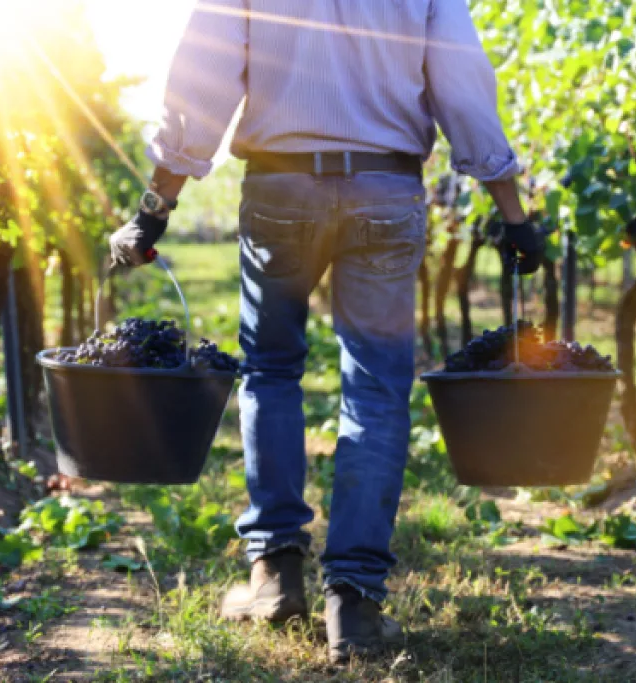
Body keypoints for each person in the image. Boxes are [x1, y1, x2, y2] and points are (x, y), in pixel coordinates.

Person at [107, 0, 544, 664]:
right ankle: (356, 606)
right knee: (373, 390)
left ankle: (275, 574)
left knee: (271, 370)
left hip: (280, 191)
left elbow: (203, 78)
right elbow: (463, 86)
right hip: (386, 190)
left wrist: (155, 207)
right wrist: (514, 213)